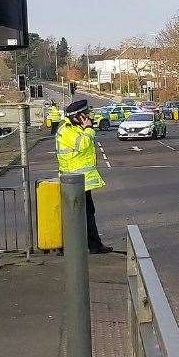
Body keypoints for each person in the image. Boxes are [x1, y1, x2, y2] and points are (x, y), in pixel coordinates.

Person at [56, 99, 112, 254]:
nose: (88, 117)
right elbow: (83, 145)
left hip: (80, 180)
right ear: (77, 117)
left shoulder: (74, 128)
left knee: (86, 213)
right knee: (76, 215)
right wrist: (88, 129)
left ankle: (94, 245)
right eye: (85, 114)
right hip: (73, 180)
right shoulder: (67, 130)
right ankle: (68, 247)